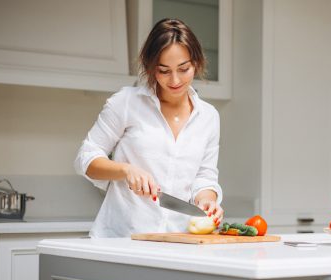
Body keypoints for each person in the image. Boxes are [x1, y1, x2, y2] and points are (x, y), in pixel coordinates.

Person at [74, 18, 224, 238]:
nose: (175, 80)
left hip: (178, 241)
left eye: (183, 69)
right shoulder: (126, 103)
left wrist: (207, 201)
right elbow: (85, 159)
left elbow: (204, 177)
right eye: (164, 70)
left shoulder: (209, 116)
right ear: (151, 67)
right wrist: (126, 170)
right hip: (121, 238)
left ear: (197, 63)